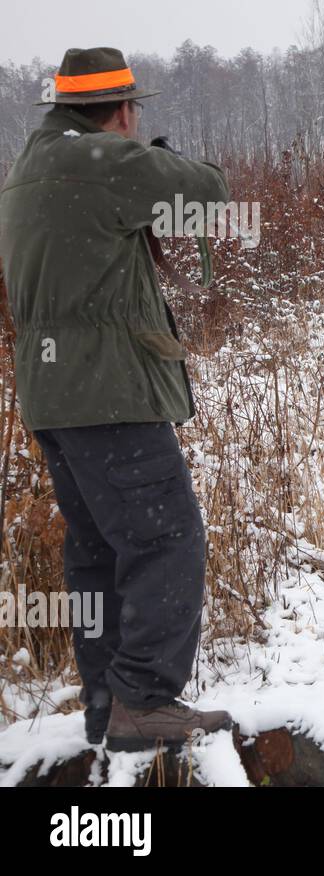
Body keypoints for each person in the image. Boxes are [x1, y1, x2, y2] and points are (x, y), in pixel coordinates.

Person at [0, 47, 235, 752]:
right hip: (112, 395)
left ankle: (107, 708)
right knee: (167, 537)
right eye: (135, 113)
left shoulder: (25, 170)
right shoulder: (108, 162)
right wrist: (156, 157)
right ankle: (144, 697)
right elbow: (210, 195)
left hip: (52, 400)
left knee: (99, 549)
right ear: (123, 111)